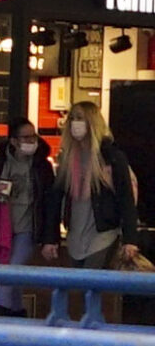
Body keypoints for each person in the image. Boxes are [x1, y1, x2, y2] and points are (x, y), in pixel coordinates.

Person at [0, 119, 55, 317]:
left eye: (34, 136)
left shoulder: (42, 167)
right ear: (13, 141)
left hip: (27, 229)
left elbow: (50, 204)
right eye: (26, 137)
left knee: (9, 272)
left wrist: (50, 238)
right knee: (13, 280)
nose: (31, 141)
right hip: (3, 228)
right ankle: (17, 318)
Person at [55, 99, 138, 279]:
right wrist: (50, 237)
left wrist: (130, 239)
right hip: (75, 235)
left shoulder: (112, 157)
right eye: (73, 118)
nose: (75, 123)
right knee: (79, 286)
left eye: (80, 118)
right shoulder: (67, 158)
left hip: (102, 234)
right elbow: (56, 198)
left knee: (89, 282)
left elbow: (126, 198)